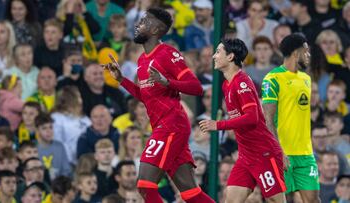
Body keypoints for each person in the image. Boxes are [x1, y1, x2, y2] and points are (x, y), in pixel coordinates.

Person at [105, 7, 214, 203]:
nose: (138, 25)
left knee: (145, 186)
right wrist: (122, 80)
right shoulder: (142, 59)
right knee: (191, 193)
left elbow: (196, 87)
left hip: (171, 125)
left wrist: (168, 82)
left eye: (144, 21)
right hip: (165, 126)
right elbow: (146, 96)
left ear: (156, 30)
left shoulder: (167, 53)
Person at [199, 38, 285, 203]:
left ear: (230, 57)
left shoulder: (242, 82)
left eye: (218, 52)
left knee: (276, 201)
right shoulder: (227, 85)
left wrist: (219, 125)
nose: (214, 57)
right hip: (246, 156)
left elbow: (252, 117)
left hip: (263, 153)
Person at [262, 34, 320, 202]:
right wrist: (279, 151)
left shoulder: (306, 79)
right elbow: (268, 120)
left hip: (305, 154)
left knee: (313, 200)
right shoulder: (272, 79)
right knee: (280, 200)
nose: (309, 56)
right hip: (282, 152)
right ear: (297, 53)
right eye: (306, 52)